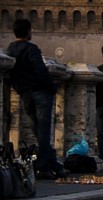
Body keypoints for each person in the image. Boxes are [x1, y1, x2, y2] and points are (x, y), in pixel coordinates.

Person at [7, 16, 62, 177]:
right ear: (28, 32)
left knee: (37, 130)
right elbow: (41, 70)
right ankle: (44, 167)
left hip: (25, 94)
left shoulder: (10, 49)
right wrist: (51, 88)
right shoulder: (31, 49)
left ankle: (53, 165)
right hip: (40, 93)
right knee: (43, 132)